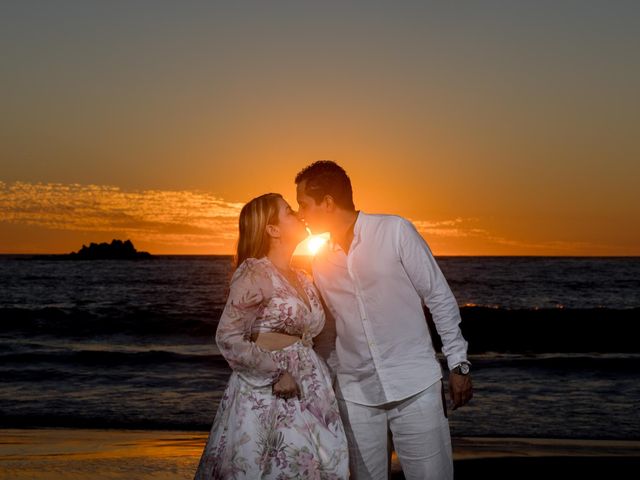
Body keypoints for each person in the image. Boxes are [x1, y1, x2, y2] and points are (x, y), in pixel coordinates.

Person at [295, 161, 473, 480]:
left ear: (328, 203)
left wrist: (459, 365)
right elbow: (332, 328)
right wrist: (321, 382)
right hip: (355, 394)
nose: (301, 214)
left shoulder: (394, 230)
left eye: (304, 204)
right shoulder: (320, 262)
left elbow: (439, 297)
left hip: (415, 385)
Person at [194, 193, 348, 479]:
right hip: (271, 391)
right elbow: (228, 336)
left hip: (311, 389)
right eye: (289, 211)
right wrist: (275, 374)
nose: (299, 215)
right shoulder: (255, 273)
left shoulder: (303, 276)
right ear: (272, 229)